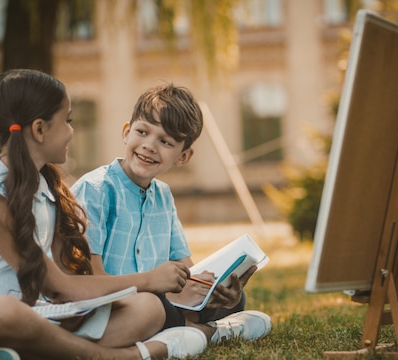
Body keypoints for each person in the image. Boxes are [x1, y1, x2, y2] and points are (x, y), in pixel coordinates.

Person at [0, 69, 208, 360]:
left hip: (33, 313)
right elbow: (57, 286)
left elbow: (72, 281)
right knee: (6, 313)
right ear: (40, 129)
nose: (71, 132)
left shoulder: (46, 188)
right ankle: (127, 358)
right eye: (68, 121)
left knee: (147, 308)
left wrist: (132, 298)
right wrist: (147, 279)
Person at [71, 84, 272, 344]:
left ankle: (188, 328)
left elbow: (187, 269)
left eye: (165, 141)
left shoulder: (163, 196)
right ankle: (212, 333)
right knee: (154, 306)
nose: (149, 146)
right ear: (126, 132)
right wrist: (158, 290)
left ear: (183, 156)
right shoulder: (95, 190)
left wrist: (212, 288)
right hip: (111, 305)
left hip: (158, 300)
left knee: (229, 299)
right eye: (142, 132)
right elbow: (90, 279)